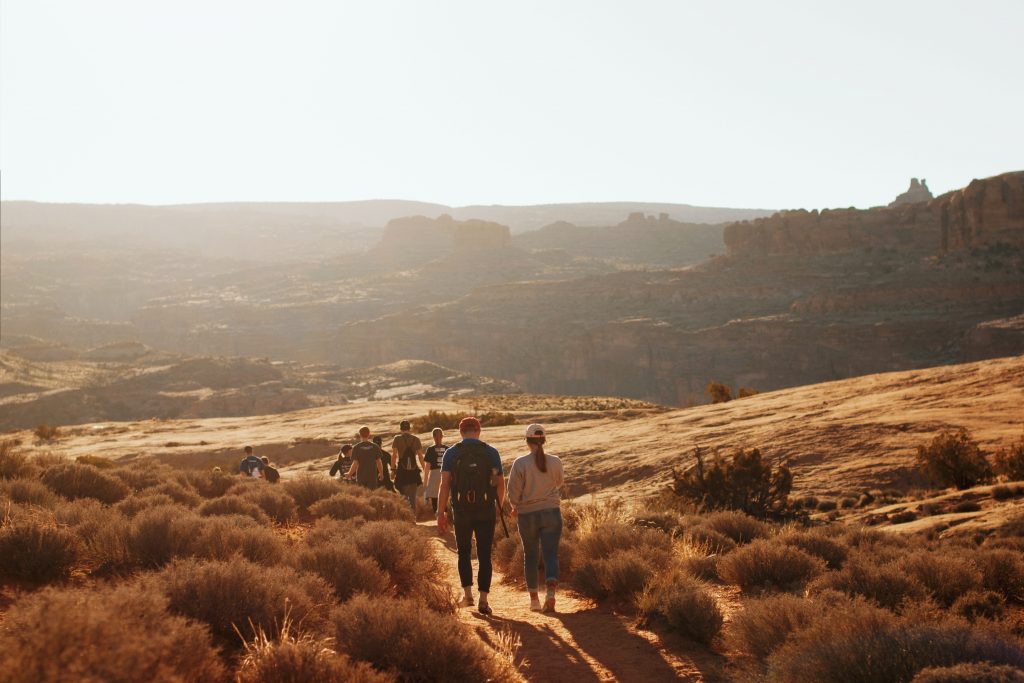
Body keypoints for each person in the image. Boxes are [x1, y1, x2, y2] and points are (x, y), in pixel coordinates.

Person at [436, 416, 505, 615]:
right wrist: (498, 508)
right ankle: (484, 599)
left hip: (461, 510)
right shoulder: (491, 452)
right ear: (479, 430)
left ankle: (468, 596)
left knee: (464, 552)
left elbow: (445, 484)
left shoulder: (452, 453)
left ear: (460, 432)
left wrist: (441, 512)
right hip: (486, 510)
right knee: (484, 555)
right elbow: (500, 483)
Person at [508, 423, 564, 612]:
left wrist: (515, 505)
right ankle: (550, 593)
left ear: (527, 441)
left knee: (530, 555)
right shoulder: (556, 461)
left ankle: (534, 601)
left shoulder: (520, 463)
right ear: (544, 439)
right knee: (550, 554)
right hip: (552, 513)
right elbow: (559, 482)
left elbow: (513, 493)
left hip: (527, 515)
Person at [391, 420, 424, 514]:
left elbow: (394, 455)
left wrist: (393, 470)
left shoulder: (397, 438)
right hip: (414, 471)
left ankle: (406, 516)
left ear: (401, 429)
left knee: (403, 495)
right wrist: (425, 470)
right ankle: (413, 517)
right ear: (409, 428)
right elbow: (420, 457)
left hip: (402, 471)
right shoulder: (416, 439)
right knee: (413, 497)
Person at [423, 428, 448, 512]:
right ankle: (445, 517)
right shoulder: (447, 449)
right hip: (445, 475)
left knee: (435, 498)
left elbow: (427, 467)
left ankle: (438, 518)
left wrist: (425, 483)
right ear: (442, 436)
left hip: (434, 475)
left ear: (433, 437)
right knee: (444, 496)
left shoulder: (430, 450)